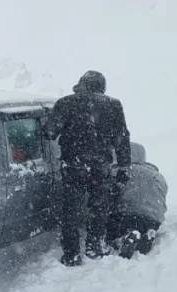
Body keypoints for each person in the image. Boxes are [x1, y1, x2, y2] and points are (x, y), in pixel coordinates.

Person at [46, 71, 131, 267]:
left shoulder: (66, 103)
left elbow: (50, 132)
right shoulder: (114, 105)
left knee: (70, 211)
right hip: (101, 168)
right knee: (99, 209)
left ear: (82, 84)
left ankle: (72, 254)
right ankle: (95, 247)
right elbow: (122, 139)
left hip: (74, 166)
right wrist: (124, 166)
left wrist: (51, 123)